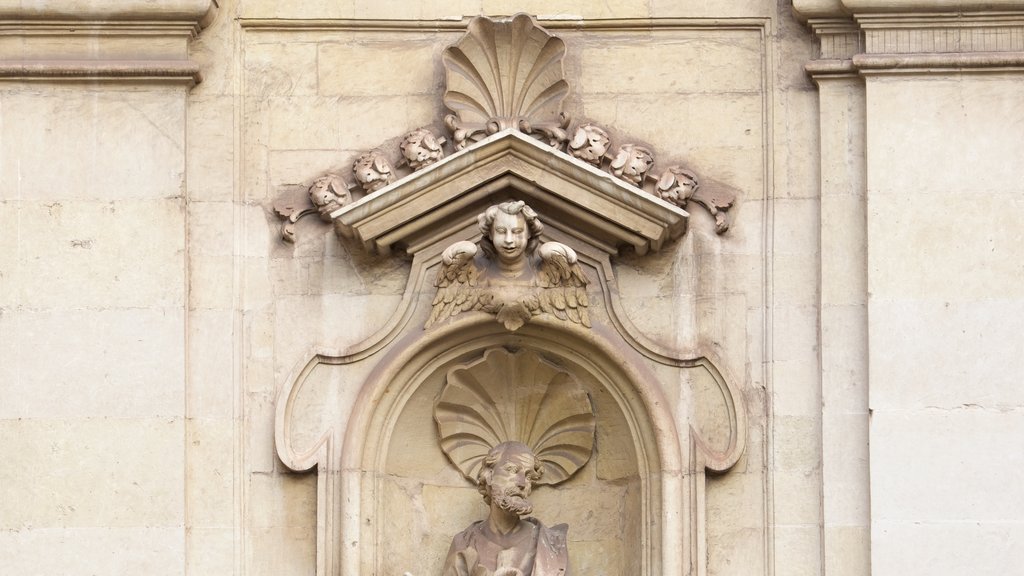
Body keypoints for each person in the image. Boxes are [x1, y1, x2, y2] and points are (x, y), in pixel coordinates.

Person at [442, 442, 569, 576]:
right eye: (512, 470)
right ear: (489, 476)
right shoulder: (463, 544)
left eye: (528, 476)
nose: (521, 483)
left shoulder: (553, 546)